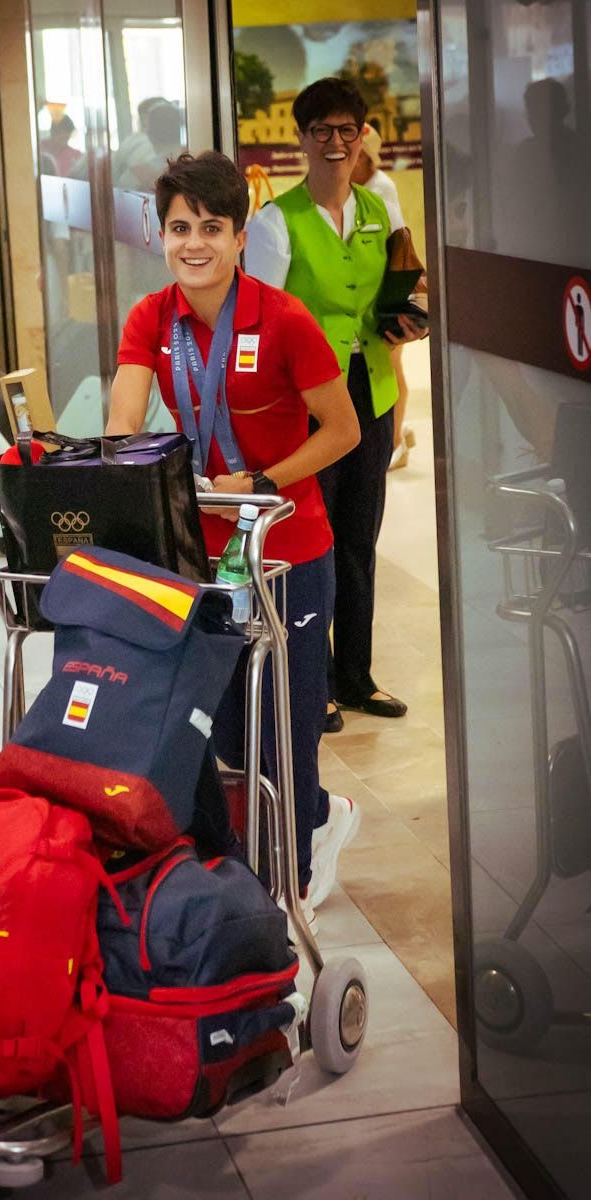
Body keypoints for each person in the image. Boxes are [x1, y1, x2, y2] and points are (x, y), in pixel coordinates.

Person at [106, 150, 362, 923]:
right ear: (159, 235)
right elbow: (122, 419)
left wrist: (269, 480)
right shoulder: (150, 318)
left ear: (239, 237)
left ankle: (297, 870)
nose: (194, 243)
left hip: (286, 546)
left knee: (286, 719)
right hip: (202, 551)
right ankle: (320, 810)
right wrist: (130, 464)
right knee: (223, 723)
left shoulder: (282, 319)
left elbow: (343, 430)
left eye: (211, 228)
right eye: (179, 227)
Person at [245, 77, 427, 735]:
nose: (334, 143)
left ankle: (355, 675)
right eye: (321, 130)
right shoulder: (275, 221)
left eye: (346, 130)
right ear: (300, 138)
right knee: (307, 545)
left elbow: (398, 292)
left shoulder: (379, 209)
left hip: (370, 391)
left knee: (358, 538)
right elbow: (260, 321)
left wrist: (408, 315)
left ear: (361, 136)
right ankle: (311, 681)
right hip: (306, 407)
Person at [350, 122, 415, 471]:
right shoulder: (350, 188)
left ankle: (394, 441)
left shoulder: (379, 188)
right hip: (363, 300)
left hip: (384, 298)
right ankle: (396, 437)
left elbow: (397, 246)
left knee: (391, 369)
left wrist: (392, 304)